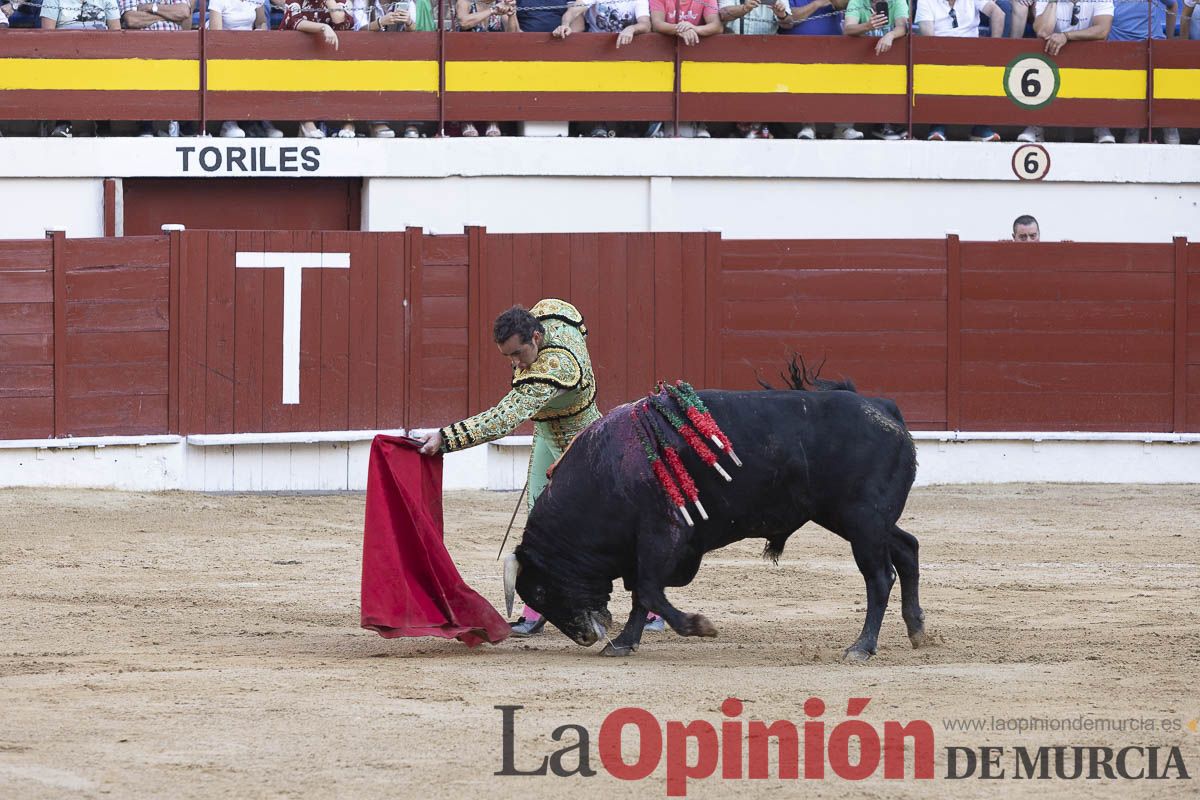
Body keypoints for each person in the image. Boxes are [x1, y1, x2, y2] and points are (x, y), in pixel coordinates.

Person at [418, 300, 602, 637]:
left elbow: (503, 418)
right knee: (538, 520)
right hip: (547, 435)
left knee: (607, 523)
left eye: (518, 354)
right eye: (508, 357)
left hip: (585, 439)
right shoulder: (551, 315)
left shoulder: (555, 367)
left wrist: (446, 438)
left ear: (535, 337)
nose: (515, 363)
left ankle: (647, 605)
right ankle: (537, 607)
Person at [915, 0, 1006, 142]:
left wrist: (993, 48)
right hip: (940, 52)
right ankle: (937, 126)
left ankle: (981, 127)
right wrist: (948, 55)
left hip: (973, 51)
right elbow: (929, 38)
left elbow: (998, 13)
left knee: (987, 69)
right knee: (937, 69)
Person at [1031, 0, 1113, 143]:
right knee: (1039, 64)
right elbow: (1043, 31)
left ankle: (1100, 124)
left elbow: (1102, 30)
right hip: (1053, 55)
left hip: (1089, 57)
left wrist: (1066, 36)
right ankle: (1036, 125)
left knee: (1101, 64)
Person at [209, 0, 286, 139]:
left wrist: (258, 33)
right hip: (225, 50)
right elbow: (216, 36)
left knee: (267, 69)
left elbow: (261, 22)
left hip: (249, 47)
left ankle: (263, 121)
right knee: (234, 69)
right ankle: (229, 122)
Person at [281, 0, 356, 139]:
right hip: (296, 55)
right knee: (300, 74)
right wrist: (323, 27)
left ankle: (348, 121)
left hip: (331, 56)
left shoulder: (340, 1)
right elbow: (294, 22)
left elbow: (341, 22)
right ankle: (307, 121)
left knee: (348, 70)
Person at [1108, 0, 1179, 145]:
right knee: (1132, 122)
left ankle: (1171, 128)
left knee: (1165, 87)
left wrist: (1169, 41)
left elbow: (1172, 5)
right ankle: (1132, 130)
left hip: (1153, 46)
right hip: (1119, 49)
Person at [843, 0, 907, 140]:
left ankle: (889, 124)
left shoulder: (898, 1)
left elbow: (902, 26)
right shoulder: (856, 1)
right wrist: (868, 26)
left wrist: (889, 35)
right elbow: (848, 28)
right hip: (860, 60)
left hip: (891, 60)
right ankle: (848, 127)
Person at [456, 0, 518, 137]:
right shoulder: (465, 1)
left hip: (493, 58)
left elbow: (513, 35)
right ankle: (466, 120)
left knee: (498, 70)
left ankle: (493, 120)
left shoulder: (500, 4)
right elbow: (464, 22)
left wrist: (511, 14)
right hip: (465, 57)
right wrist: (492, 11)